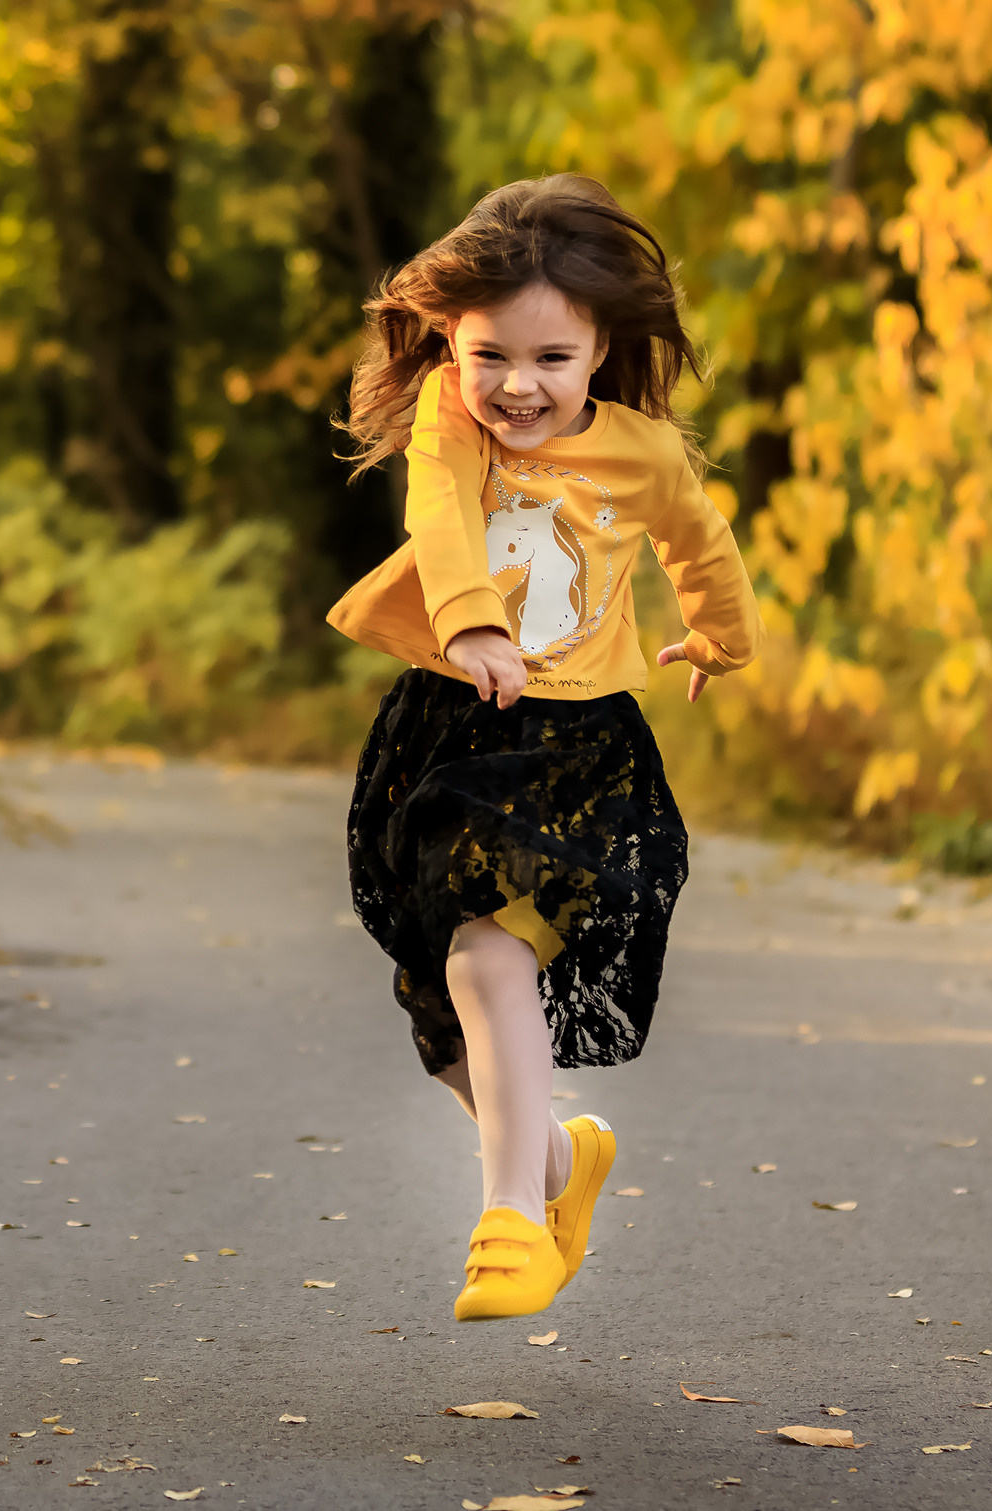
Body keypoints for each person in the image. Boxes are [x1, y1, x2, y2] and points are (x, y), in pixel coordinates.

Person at [329, 173, 763, 1322]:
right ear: (448, 346)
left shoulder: (644, 454)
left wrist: (720, 638)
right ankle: (563, 1165)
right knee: (441, 1016)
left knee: (485, 949)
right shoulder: (447, 419)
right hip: (445, 723)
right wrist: (467, 618)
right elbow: (440, 510)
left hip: (572, 745)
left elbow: (701, 547)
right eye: (489, 357)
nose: (516, 386)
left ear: (600, 350)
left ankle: (512, 1217)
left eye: (551, 360)